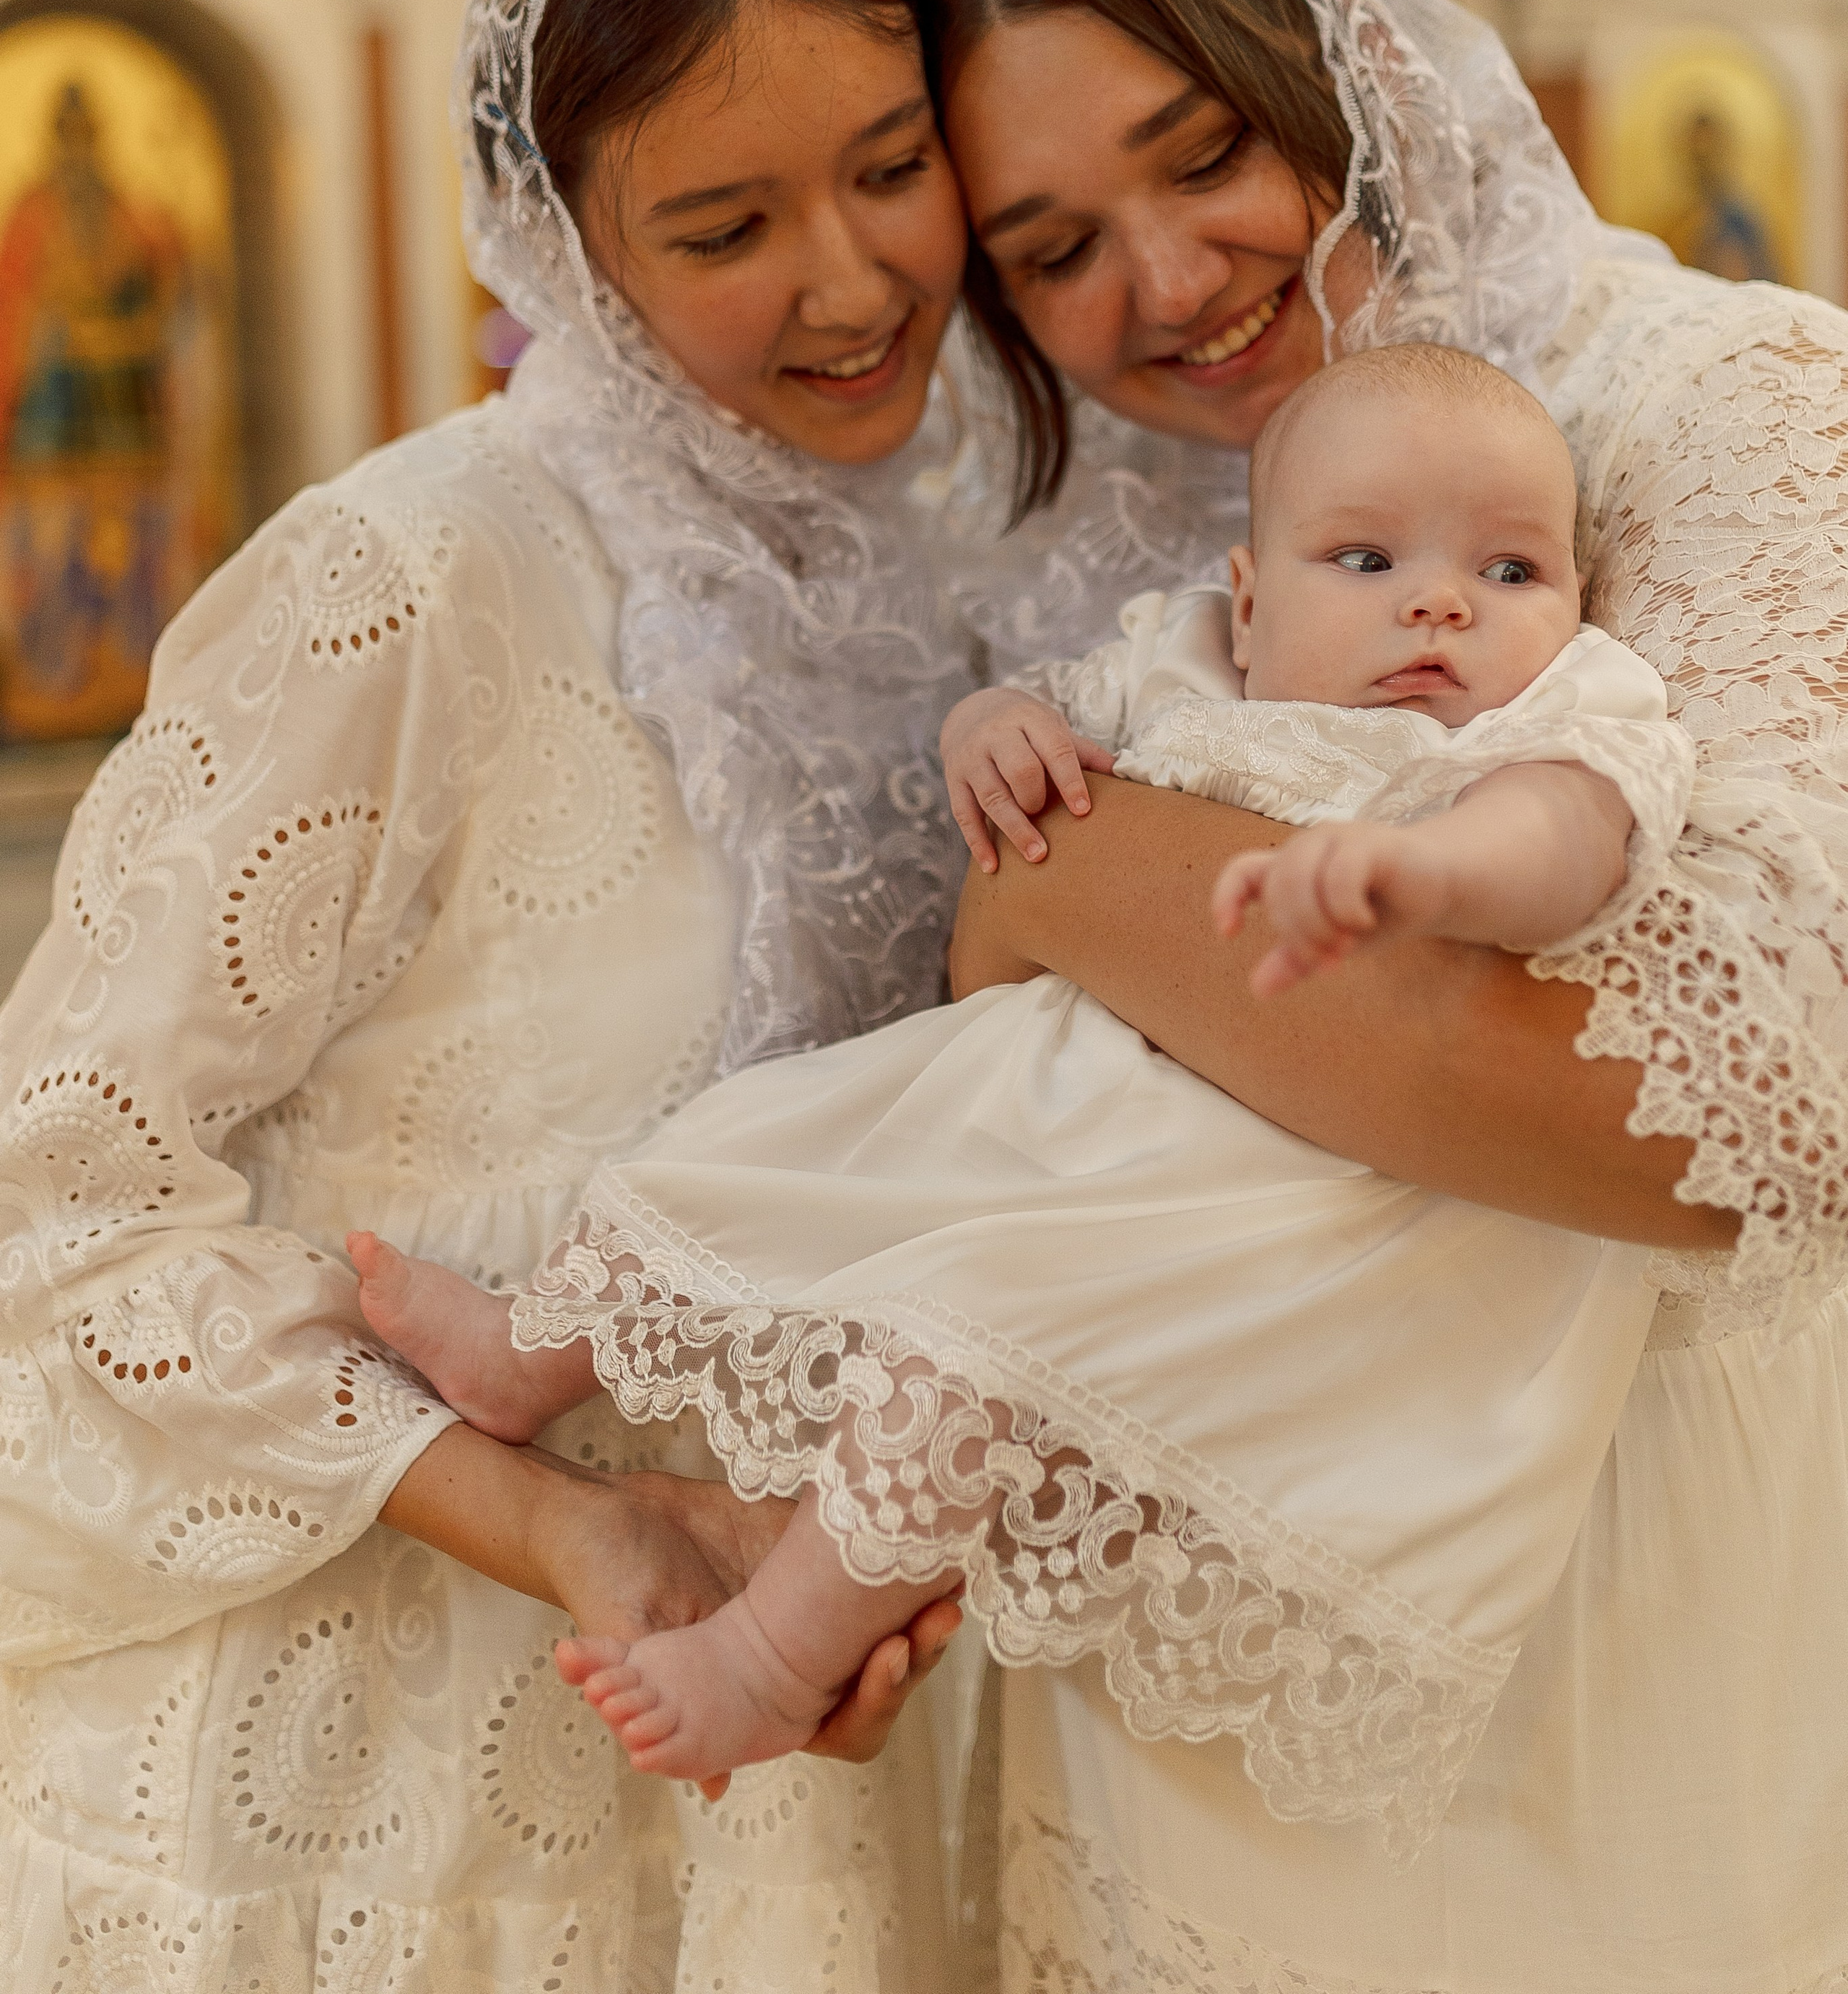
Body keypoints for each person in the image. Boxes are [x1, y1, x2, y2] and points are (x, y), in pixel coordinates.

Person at [3, 0, 1226, 1992]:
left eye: (887, 167)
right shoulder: (412, 576)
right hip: (400, 1780)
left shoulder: (986, 582)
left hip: (797, 1764)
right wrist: (571, 1520)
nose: (849, 283)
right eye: (724, 223)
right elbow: (61, 1218)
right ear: (570, 246)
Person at [346, 336, 1692, 1862]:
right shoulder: (1185, 658)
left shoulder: (1549, 722)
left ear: (1575, 605)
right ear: (1247, 603)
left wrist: (1429, 869)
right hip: (1059, 1086)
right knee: (763, 1140)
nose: (1438, 603)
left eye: (1510, 569)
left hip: (1273, 1195)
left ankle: (772, 1657)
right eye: (1365, 557)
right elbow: (1025, 718)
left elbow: (1570, 843)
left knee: (969, 1360)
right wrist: (992, 738)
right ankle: (536, 1351)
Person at [924, 0, 1848, 1993]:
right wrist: (1062, 898)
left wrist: (1087, 880)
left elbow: (1740, 1115)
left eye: (1200, 148)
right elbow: (977, 990)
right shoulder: (1108, 545)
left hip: (1607, 1582)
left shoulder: (1731, 399)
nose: (1158, 284)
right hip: (1185, 1578)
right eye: (1051, 248)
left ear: (1335, 77)